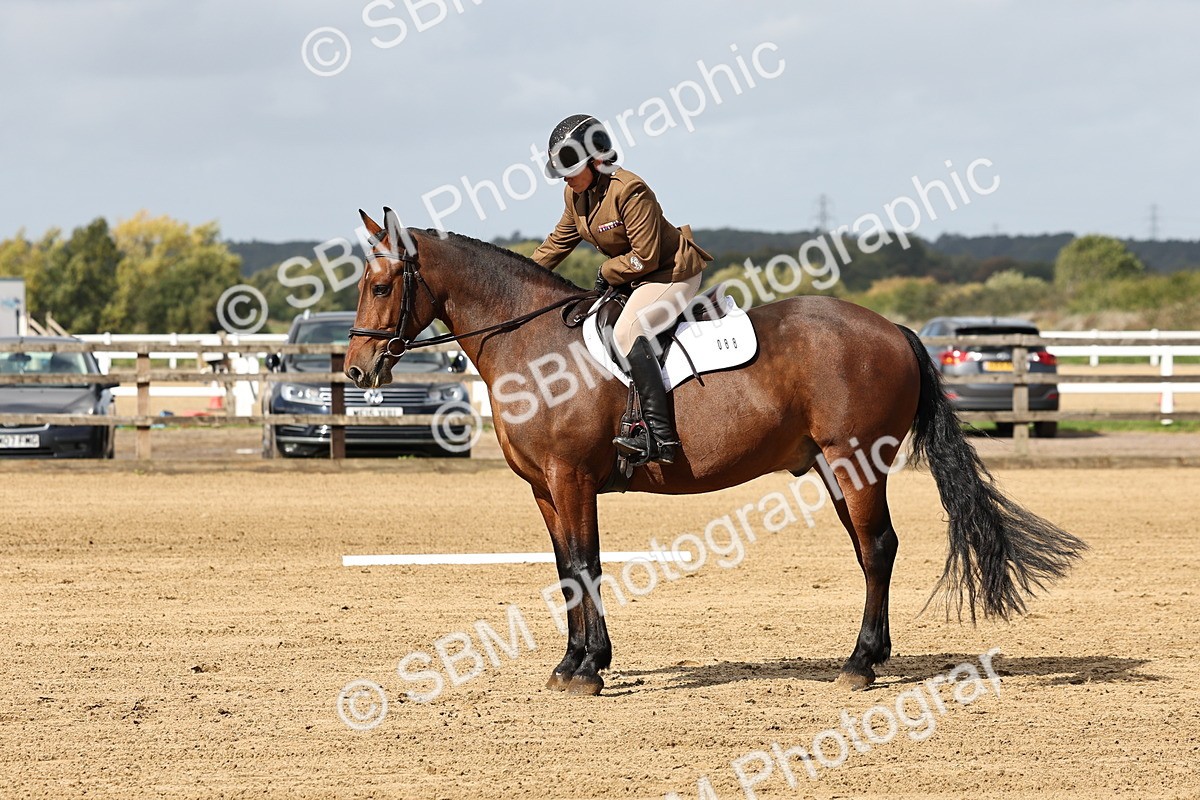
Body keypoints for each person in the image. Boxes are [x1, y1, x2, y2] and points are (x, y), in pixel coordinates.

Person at [531, 114, 712, 465]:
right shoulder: (575, 195)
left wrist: (605, 270)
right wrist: (519, 276)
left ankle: (661, 438)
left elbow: (645, 257)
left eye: (572, 167)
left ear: (597, 160)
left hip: (670, 274)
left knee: (629, 330)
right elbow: (557, 243)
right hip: (633, 278)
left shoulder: (630, 189)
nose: (565, 177)